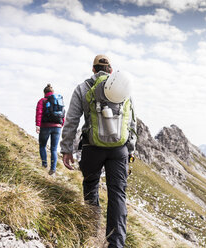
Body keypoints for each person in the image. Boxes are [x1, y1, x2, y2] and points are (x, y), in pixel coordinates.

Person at [60, 55, 137, 247]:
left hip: (92, 147)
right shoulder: (122, 87)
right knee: (117, 194)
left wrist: (67, 149)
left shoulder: (83, 88)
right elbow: (131, 122)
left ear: (93, 69)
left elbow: (72, 120)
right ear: (111, 71)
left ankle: (92, 228)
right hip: (119, 149)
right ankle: (116, 243)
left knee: (91, 184)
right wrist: (130, 151)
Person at [35, 84, 65, 176]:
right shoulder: (58, 100)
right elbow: (63, 113)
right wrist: (61, 125)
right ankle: (53, 169)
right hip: (57, 127)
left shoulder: (42, 101)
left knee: (42, 146)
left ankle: (44, 164)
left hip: (45, 126)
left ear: (44, 93)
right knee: (54, 149)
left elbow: (39, 113)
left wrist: (38, 125)